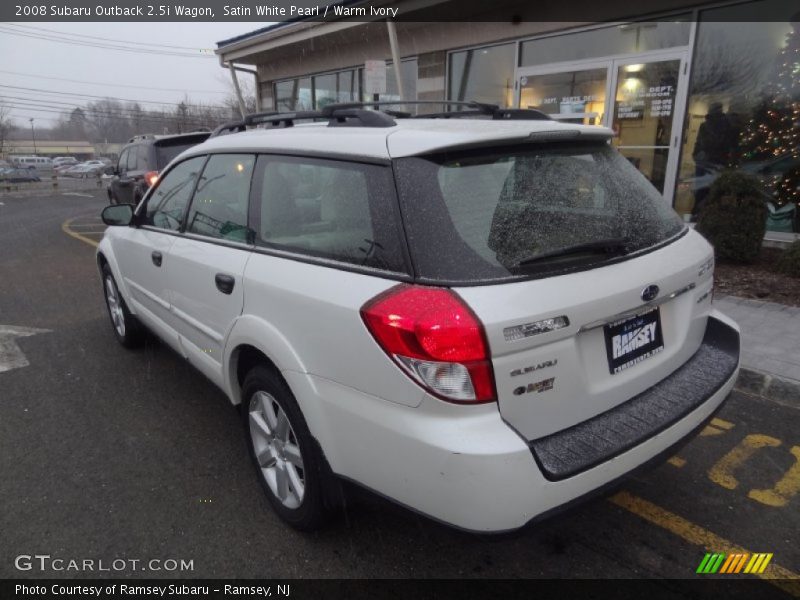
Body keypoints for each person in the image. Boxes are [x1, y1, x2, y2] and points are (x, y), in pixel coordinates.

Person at [691, 102, 737, 219]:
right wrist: (696, 155)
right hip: (707, 161)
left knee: (709, 190)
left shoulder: (725, 125)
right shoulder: (706, 125)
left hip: (715, 161)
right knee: (703, 189)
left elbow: (727, 144)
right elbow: (699, 143)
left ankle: (703, 214)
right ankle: (700, 214)